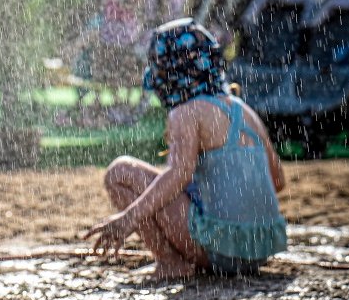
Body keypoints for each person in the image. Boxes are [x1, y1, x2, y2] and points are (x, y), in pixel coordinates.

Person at [84, 18, 287, 280]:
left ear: (168, 73)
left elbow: (177, 174)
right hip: (259, 250)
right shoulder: (244, 110)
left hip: (219, 251)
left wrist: (128, 218)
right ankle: (209, 254)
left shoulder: (186, 112)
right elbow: (278, 181)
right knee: (170, 187)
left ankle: (171, 263)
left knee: (120, 172)